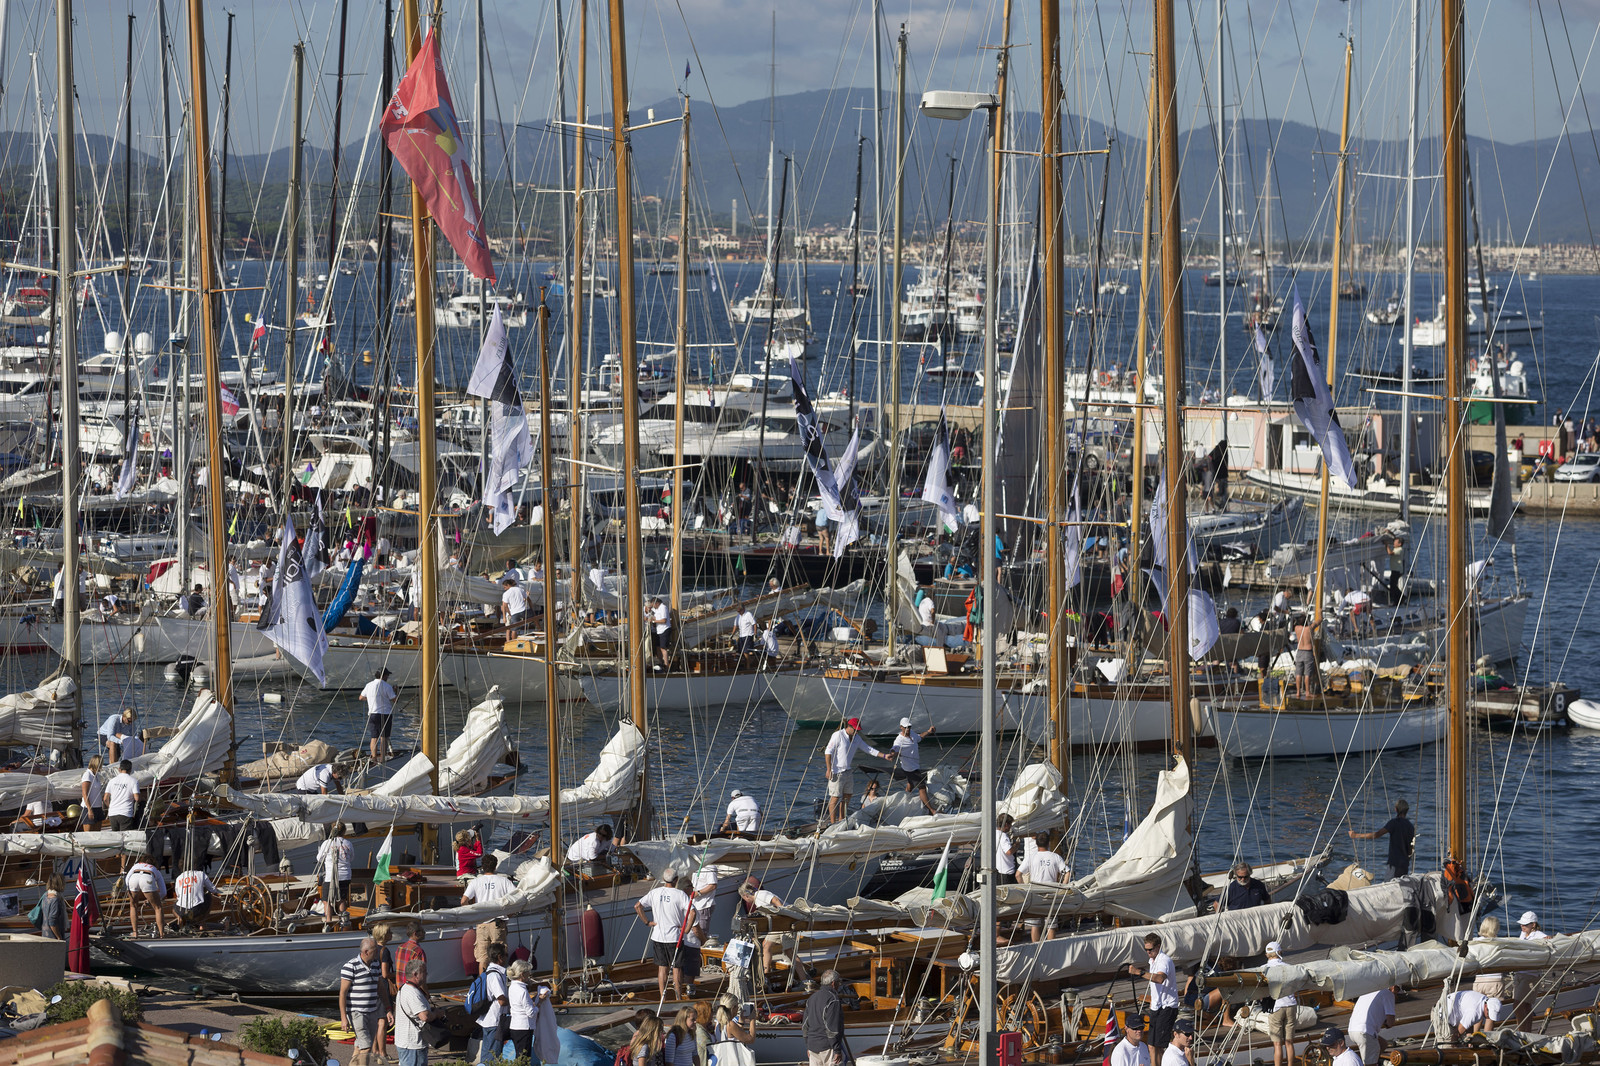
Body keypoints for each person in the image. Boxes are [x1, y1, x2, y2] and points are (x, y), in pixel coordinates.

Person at [822, 717, 892, 826]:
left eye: (858, 730)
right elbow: (828, 752)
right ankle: (832, 823)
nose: (856, 732)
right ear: (849, 727)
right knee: (835, 798)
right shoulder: (838, 735)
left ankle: (841, 819)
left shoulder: (856, 738)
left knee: (848, 796)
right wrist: (828, 769)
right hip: (836, 772)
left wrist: (884, 756)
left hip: (848, 771)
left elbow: (868, 749)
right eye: (855, 729)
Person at [636, 867, 693, 1000]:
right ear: (676, 880)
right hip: (675, 937)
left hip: (658, 937)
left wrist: (647, 922)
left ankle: (663, 997)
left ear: (663, 879)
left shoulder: (654, 892)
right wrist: (686, 929)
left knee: (662, 968)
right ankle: (678, 998)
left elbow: (637, 906)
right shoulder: (680, 894)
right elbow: (693, 912)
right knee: (677, 968)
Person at [341, 937, 393, 1066]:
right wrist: (343, 1018)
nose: (377, 952)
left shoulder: (375, 964)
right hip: (357, 1012)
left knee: (359, 1046)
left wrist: (388, 1009)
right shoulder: (350, 966)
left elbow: (381, 988)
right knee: (366, 1047)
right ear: (366, 952)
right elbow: (343, 993)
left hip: (372, 1011)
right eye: (375, 950)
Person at [1129, 933, 1179, 1054]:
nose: (1148, 952)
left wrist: (1139, 972)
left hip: (1167, 1007)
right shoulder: (1152, 961)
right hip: (1156, 1006)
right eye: (1146, 950)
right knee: (1151, 1045)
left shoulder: (1164, 960)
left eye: (1150, 949)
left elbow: (1160, 979)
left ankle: (1163, 1061)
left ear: (1158, 947)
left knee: (1159, 1046)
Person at [1018, 832, 1068, 941]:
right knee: (1051, 925)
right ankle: (1050, 947)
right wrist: (1063, 887)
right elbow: (1067, 872)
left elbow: (1018, 874)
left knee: (1035, 925)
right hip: (1051, 893)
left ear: (1036, 843)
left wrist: (1024, 889)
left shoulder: (1031, 857)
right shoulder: (1055, 857)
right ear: (1049, 843)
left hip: (1035, 893)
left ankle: (1035, 945)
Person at [1349, 800, 1415, 878]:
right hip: (1405, 864)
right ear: (1407, 810)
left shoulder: (1394, 823)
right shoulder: (1410, 826)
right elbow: (1411, 848)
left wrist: (1356, 835)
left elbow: (1376, 835)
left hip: (1395, 863)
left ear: (1396, 809)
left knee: (1389, 884)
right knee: (1400, 883)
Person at [891, 718, 938, 815]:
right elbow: (894, 749)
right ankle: (931, 810)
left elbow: (920, 737)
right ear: (901, 727)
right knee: (922, 787)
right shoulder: (899, 740)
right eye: (905, 727)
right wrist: (893, 754)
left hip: (915, 766)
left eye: (909, 727)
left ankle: (905, 800)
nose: (908, 729)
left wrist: (929, 731)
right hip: (909, 768)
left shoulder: (912, 733)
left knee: (910, 784)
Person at [393, 957, 434, 1066]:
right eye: (424, 972)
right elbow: (424, 1016)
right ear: (415, 974)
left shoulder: (404, 988)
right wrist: (436, 1014)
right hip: (412, 1045)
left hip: (408, 1043)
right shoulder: (412, 992)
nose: (426, 974)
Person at [474, 942, 510, 1064]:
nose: (507, 957)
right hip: (494, 1020)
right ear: (500, 957)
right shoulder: (495, 975)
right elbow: (501, 1000)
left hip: (490, 1019)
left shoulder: (491, 971)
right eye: (506, 954)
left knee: (488, 1054)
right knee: (492, 1056)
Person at [802, 969, 845, 1066]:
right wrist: (837, 1050)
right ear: (833, 983)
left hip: (812, 1047)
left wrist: (808, 1045)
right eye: (839, 982)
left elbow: (805, 1026)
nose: (839, 985)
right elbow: (832, 1028)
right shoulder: (833, 999)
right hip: (827, 1047)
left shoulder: (812, 998)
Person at [1265, 942, 1297, 1066]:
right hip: (1291, 1005)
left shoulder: (1264, 969)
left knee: (1277, 1044)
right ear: (1280, 952)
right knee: (1289, 1042)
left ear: (1267, 954)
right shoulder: (1289, 967)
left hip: (1276, 1007)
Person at [1348, 986, 1397, 1065]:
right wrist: (1385, 1023)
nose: (1396, 994)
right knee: (1370, 1064)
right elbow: (1390, 1022)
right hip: (1364, 1032)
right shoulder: (1388, 994)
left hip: (1352, 1030)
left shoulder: (1368, 991)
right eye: (1397, 991)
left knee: (1382, 1044)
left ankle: (1373, 1060)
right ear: (1393, 988)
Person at [318, 825, 355, 920]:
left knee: (326, 900)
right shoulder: (348, 843)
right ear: (344, 831)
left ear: (332, 831)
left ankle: (328, 921)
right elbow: (351, 858)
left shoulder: (327, 843)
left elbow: (319, 858)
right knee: (342, 899)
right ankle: (344, 921)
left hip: (331, 876)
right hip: (345, 875)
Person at [361, 668, 399, 761]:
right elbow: (395, 700)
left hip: (373, 714)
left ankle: (374, 758)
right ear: (384, 676)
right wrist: (395, 691)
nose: (388, 677)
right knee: (384, 738)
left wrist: (372, 698)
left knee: (374, 738)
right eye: (387, 675)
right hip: (385, 714)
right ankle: (382, 759)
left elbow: (361, 697)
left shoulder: (369, 685)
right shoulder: (387, 686)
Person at [125, 856, 167, 938]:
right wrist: (150, 900)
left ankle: (135, 933)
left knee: (133, 906)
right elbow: (163, 892)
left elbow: (127, 880)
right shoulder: (156, 870)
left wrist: (129, 889)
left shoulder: (136, 865)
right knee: (158, 908)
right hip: (148, 878)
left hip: (133, 878)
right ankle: (162, 934)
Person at [506, 959, 535, 1061]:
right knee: (524, 1058)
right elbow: (531, 1013)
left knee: (519, 1056)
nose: (529, 975)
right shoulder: (522, 990)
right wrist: (539, 1004)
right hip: (524, 1027)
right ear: (522, 974)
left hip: (515, 1026)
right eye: (528, 972)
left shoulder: (512, 987)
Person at [174, 865, 218, 931]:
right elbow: (213, 890)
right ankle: (202, 924)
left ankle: (180, 918)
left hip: (181, 910)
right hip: (196, 909)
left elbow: (178, 895)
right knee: (209, 896)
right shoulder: (201, 874)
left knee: (174, 907)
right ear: (194, 866)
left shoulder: (179, 878)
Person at [105, 759, 140, 832]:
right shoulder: (133, 781)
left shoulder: (112, 781)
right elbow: (137, 798)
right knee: (125, 836)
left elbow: (105, 798)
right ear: (130, 770)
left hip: (112, 813)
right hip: (125, 813)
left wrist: (110, 806)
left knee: (115, 836)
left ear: (119, 769)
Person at [395, 923, 427, 991]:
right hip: (412, 989)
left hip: (400, 988)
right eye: (422, 931)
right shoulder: (418, 951)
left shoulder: (400, 947)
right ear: (415, 933)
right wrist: (426, 993)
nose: (424, 933)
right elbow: (421, 975)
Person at [34, 874, 67, 940]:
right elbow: (52, 922)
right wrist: (59, 937)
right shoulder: (55, 900)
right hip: (53, 938)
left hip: (45, 935)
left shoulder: (45, 896)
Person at [1292, 618, 1317, 699]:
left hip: (1299, 651)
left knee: (1298, 673)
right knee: (1307, 674)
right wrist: (1320, 612)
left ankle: (1298, 692)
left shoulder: (1296, 628)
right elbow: (1319, 620)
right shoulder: (1309, 628)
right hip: (1308, 652)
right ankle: (1307, 692)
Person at [79, 754, 105, 829]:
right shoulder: (88, 775)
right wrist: (89, 809)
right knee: (89, 832)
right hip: (89, 807)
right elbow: (84, 793)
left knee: (98, 831)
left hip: (98, 807)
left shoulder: (96, 775)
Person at [651, 597, 673, 670]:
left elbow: (664, 620)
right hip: (659, 630)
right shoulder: (657, 609)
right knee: (658, 647)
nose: (653, 607)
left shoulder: (663, 607)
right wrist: (653, 621)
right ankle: (660, 663)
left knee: (663, 648)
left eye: (653, 605)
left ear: (656, 603)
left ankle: (666, 665)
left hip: (664, 629)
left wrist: (654, 621)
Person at [995, 813, 1018, 886]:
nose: (1011, 826)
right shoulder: (1003, 836)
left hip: (998, 870)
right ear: (1006, 824)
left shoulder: (994, 833)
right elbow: (1009, 851)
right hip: (1007, 871)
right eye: (1010, 824)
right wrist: (1016, 846)